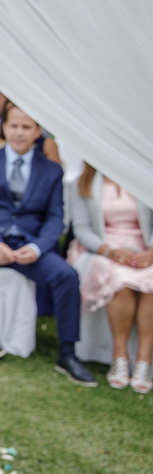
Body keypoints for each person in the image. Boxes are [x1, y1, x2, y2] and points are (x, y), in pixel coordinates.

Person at [0, 104, 95, 385]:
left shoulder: (51, 170)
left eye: (26, 127)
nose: (19, 133)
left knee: (66, 276)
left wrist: (38, 248)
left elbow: (54, 219)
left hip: (29, 244)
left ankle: (68, 352)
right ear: (4, 127)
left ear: (37, 132)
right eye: (14, 126)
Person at [68, 165, 153, 392]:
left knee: (151, 284)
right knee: (119, 280)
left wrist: (151, 251)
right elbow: (82, 228)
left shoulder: (144, 174)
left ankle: (144, 360)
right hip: (103, 249)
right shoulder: (84, 180)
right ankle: (120, 358)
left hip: (144, 247)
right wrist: (110, 251)